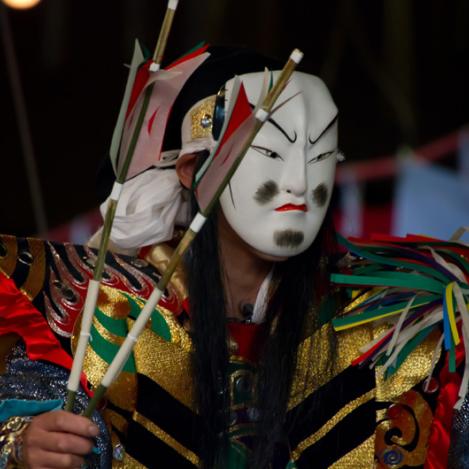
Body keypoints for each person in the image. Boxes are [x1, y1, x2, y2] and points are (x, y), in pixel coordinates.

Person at [0, 46, 467, 469]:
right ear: (190, 171)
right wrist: (21, 444)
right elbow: (20, 422)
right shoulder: (99, 308)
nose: (300, 183)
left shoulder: (402, 319)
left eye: (320, 152)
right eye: (269, 152)